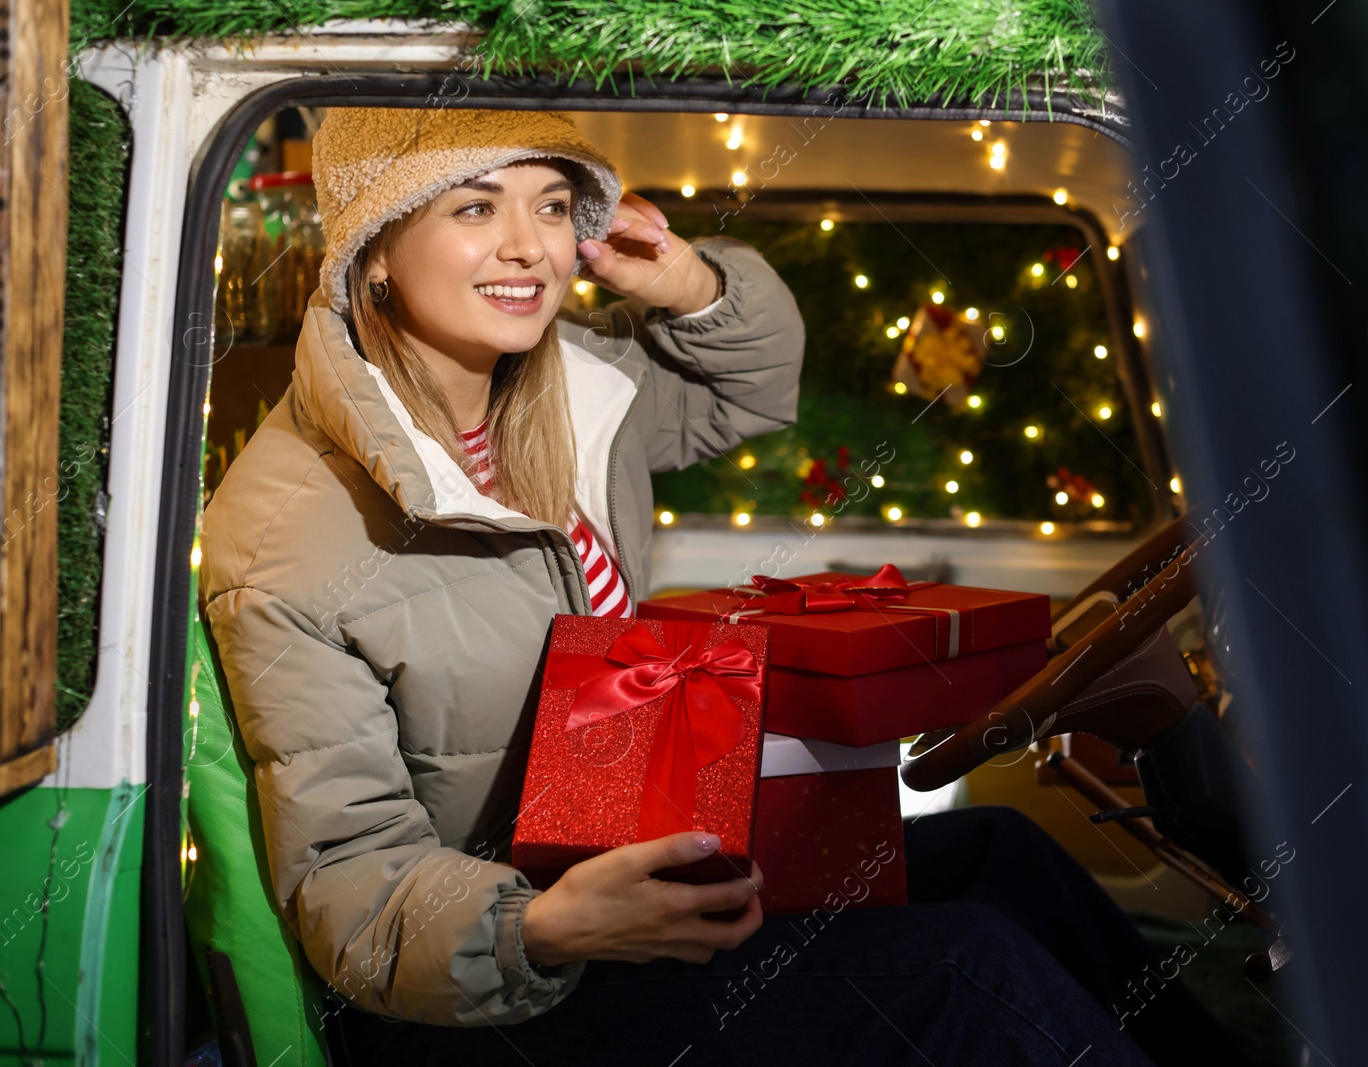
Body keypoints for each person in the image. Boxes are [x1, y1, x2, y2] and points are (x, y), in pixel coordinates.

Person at [198, 107, 1241, 1066]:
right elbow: (348, 887)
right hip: (492, 991)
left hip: (632, 856)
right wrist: (547, 922)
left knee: (1002, 854)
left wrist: (686, 286)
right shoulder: (289, 534)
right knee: (962, 960)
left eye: (553, 207)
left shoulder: (567, 388)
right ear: (375, 252)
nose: (531, 247)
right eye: (478, 207)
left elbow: (745, 387)